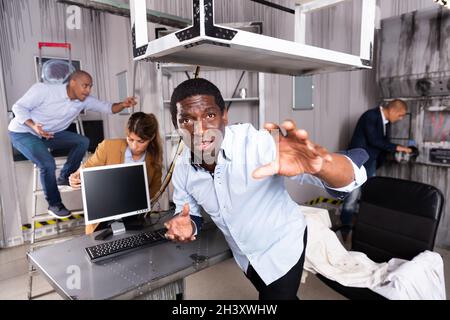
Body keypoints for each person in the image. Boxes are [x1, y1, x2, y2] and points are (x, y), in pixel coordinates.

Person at [163, 78, 368, 300]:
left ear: (224, 116)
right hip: (245, 255)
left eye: (209, 115)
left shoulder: (259, 143)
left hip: (283, 246)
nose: (200, 130)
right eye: (186, 120)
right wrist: (187, 223)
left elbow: (350, 179)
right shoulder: (182, 168)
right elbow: (189, 211)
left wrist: (321, 167)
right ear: (176, 125)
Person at [8, 70, 137, 219]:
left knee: (82, 141)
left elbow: (108, 108)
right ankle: (54, 204)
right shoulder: (44, 90)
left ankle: (65, 176)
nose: (88, 90)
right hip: (24, 131)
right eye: (85, 86)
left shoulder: (84, 100)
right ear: (73, 83)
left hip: (49, 133)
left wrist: (123, 104)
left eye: (90, 87)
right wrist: (33, 126)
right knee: (48, 163)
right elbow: (18, 107)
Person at [68, 112, 163, 234]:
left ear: (151, 137)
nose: (134, 146)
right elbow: (87, 168)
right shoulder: (108, 147)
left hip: (134, 220)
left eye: (141, 141)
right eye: (130, 139)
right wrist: (76, 175)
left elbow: (154, 188)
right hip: (102, 221)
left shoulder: (154, 159)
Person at [339, 99, 413, 240]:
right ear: (392, 110)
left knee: (369, 195)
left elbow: (381, 145)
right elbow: (374, 140)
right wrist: (399, 148)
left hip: (370, 163)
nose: (401, 119)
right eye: (400, 115)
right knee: (352, 197)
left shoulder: (386, 122)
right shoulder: (370, 116)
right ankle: (345, 228)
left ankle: (363, 227)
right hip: (358, 163)